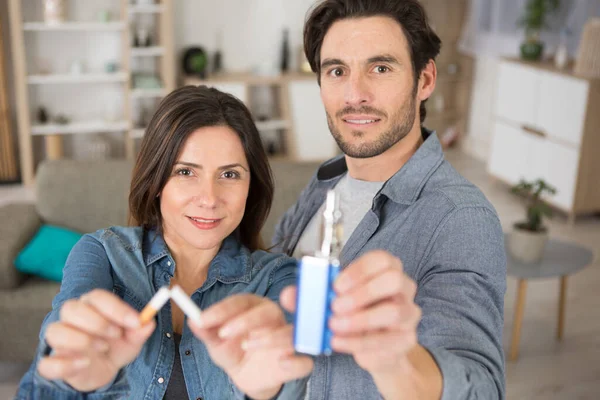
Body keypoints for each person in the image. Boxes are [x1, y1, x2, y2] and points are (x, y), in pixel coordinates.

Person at [220, 0, 507, 399]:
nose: (355, 94)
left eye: (381, 68)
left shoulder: (460, 219)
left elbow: (481, 388)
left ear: (425, 80)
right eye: (337, 71)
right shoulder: (324, 184)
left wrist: (396, 360)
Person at [15, 85, 312, 400]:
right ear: (156, 182)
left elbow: (293, 377)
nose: (210, 199)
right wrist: (76, 379)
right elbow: (44, 380)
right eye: (185, 171)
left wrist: (266, 387)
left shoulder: (280, 278)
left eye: (229, 175)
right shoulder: (103, 254)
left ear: (251, 186)